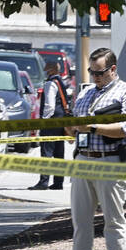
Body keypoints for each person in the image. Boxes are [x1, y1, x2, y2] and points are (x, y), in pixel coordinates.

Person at [65, 48, 126, 250]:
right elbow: (73, 132)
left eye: (99, 73)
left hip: (110, 159)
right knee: (80, 220)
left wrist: (94, 127)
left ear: (112, 69)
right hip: (82, 158)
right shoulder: (85, 93)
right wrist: (68, 127)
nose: (95, 77)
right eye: (91, 72)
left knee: (113, 219)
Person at [30, 59, 71, 190]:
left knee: (46, 152)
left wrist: (44, 120)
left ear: (51, 69)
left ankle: (43, 182)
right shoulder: (60, 82)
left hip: (51, 122)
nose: (45, 70)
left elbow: (49, 105)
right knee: (59, 153)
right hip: (61, 121)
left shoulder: (50, 84)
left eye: (47, 67)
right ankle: (58, 182)